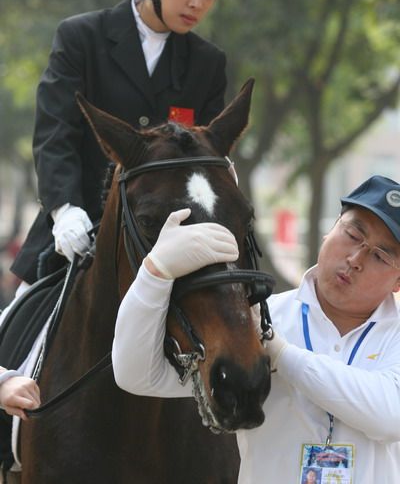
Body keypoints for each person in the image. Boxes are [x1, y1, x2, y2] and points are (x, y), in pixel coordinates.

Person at [8, 0, 243, 291]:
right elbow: (56, 133)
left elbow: (205, 158)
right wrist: (65, 210)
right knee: (12, 336)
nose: (198, 3)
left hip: (165, 247)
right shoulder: (81, 37)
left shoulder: (208, 64)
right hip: (74, 236)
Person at [112, 175, 400, 483]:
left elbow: (389, 416)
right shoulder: (260, 318)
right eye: (353, 234)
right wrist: (155, 273)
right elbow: (140, 376)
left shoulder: (265, 330)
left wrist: (282, 355)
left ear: (398, 282)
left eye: (380, 256)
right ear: (332, 229)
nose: (356, 259)